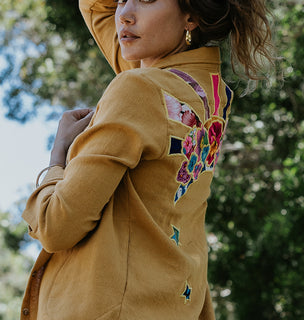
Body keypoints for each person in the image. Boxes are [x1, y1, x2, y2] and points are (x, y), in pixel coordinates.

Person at [20, 0, 275, 319]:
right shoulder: (207, 95)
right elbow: (99, 10)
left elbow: (57, 225)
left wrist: (58, 156)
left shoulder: (139, 89)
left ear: (191, 15)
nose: (123, 14)